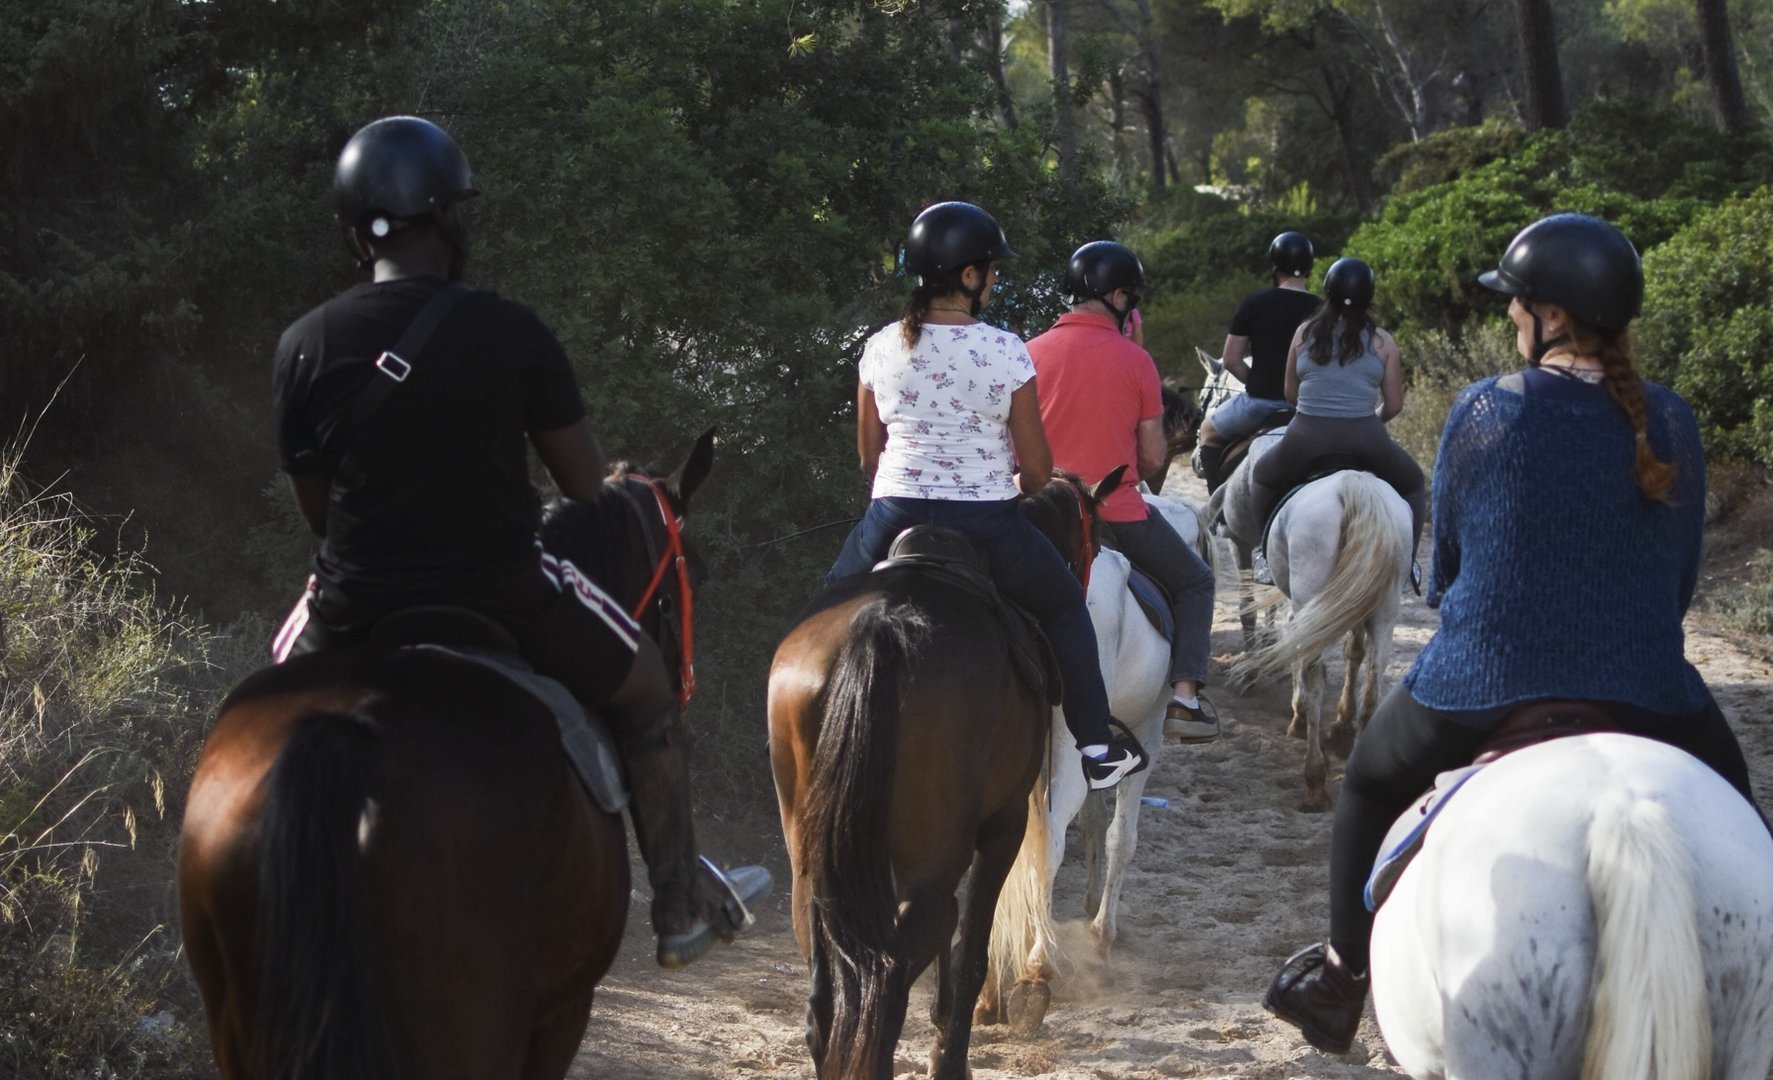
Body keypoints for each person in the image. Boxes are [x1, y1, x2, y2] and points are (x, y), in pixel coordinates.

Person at [268, 115, 768, 970]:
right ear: (451, 223)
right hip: (503, 587)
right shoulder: (512, 331)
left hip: (352, 596)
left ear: (357, 235)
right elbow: (581, 488)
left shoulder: (303, 344)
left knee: (256, 714)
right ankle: (679, 908)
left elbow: (321, 515)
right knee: (648, 698)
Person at [1262, 213, 1769, 1054]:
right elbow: (1677, 579)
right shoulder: (1672, 420)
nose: (1508, 317)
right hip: (1648, 684)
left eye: (1517, 304)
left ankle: (1340, 977)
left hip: (1482, 680)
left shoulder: (1487, 409)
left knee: (1366, 786)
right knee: (1740, 819)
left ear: (1554, 318)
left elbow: (1448, 567)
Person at [825, 201, 1148, 790]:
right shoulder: (1003, 350)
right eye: (992, 271)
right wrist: (1019, 489)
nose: (995, 281)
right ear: (968, 276)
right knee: (1065, 609)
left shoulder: (877, 347)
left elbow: (868, 457)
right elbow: (1037, 469)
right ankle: (1098, 747)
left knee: (824, 609)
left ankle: (800, 722)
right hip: (987, 524)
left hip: (891, 513)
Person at [1026, 241, 1219, 743]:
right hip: (1116, 513)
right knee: (1196, 581)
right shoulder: (1137, 361)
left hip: (1038, 514)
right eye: (1130, 298)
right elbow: (1154, 459)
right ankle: (1185, 699)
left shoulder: (1028, 352)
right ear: (1116, 296)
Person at [1247, 258, 1426, 588]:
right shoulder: (1383, 341)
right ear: (1369, 296)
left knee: (1262, 477)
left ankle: (1265, 558)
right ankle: (1408, 567)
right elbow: (1395, 404)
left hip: (1307, 436)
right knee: (1415, 484)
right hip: (1365, 437)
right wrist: (1371, 421)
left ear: (1327, 292)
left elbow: (1290, 393)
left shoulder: (1304, 333)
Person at [1195, 231, 1320, 491]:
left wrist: (1257, 381)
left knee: (1207, 432)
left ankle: (1217, 508)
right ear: (1308, 267)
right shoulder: (1322, 310)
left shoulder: (1254, 304)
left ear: (1275, 266)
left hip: (1259, 404)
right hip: (1308, 408)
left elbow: (1230, 360)